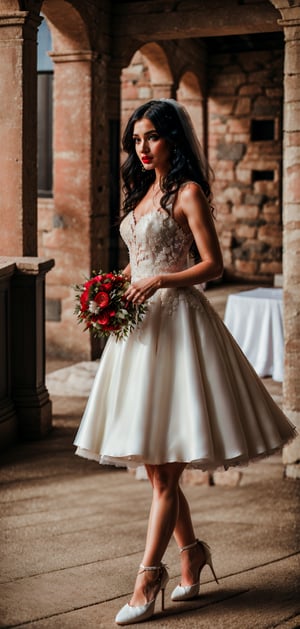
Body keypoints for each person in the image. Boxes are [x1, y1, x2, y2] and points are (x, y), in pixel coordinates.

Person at [74, 99, 296, 626]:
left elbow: (212, 265)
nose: (141, 148)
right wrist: (113, 286)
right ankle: (192, 553)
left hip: (178, 328)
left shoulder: (188, 192)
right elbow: (139, 259)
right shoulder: (144, 192)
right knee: (156, 470)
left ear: (173, 138)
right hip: (140, 335)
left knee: (167, 470)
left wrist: (159, 280)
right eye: (135, 140)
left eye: (150, 137)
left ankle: (148, 577)